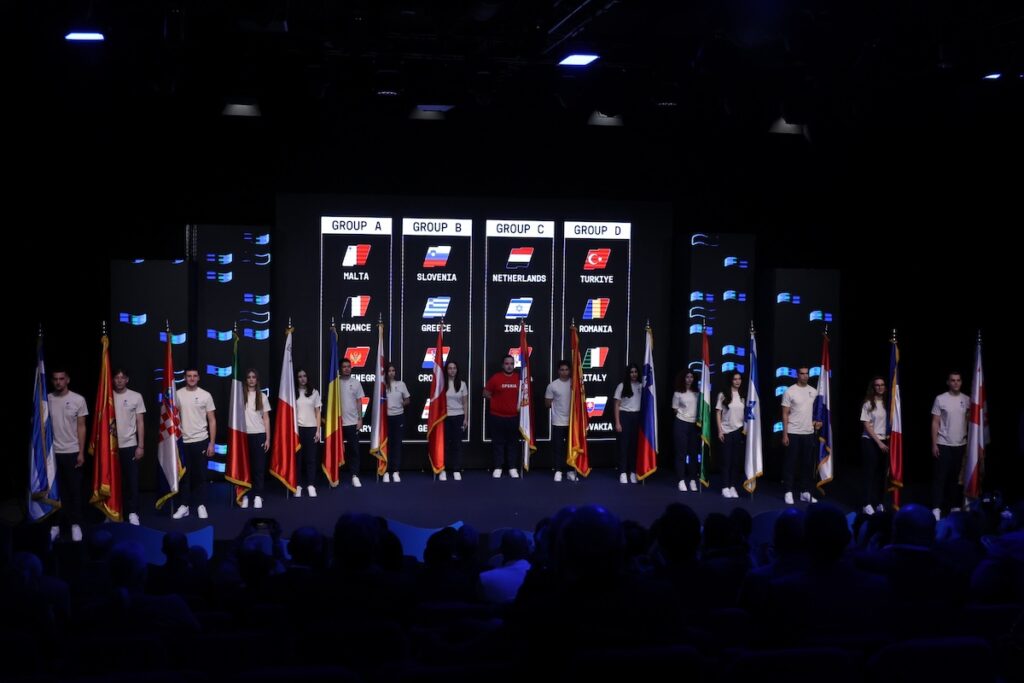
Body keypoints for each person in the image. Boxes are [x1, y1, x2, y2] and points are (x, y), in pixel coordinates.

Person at [48, 368, 88, 542]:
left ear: (67, 380)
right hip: (53, 454)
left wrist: (81, 452)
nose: (58, 382)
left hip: (72, 452)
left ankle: (75, 524)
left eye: (61, 378)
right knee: (55, 493)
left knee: (74, 491)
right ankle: (55, 525)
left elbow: (81, 427)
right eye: (55, 379)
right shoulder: (47, 399)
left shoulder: (78, 399)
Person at [173, 368, 216, 520]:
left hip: (201, 441)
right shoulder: (177, 394)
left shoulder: (206, 395)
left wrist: (211, 443)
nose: (192, 378)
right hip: (183, 442)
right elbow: (172, 419)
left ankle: (200, 505)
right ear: (185, 378)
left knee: (201, 475)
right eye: (189, 376)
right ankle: (184, 506)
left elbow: (212, 420)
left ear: (198, 378)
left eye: (194, 376)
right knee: (184, 476)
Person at [931, 371, 970, 520]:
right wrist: (934, 444)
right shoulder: (941, 399)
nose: (956, 383)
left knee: (955, 479)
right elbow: (935, 422)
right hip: (943, 443)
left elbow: (971, 423)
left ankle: (954, 506)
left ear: (961, 382)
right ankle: (936, 508)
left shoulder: (967, 399)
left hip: (961, 444)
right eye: (953, 380)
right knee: (940, 478)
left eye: (958, 380)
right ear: (948, 382)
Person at [781, 366, 821, 505]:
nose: (805, 376)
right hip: (793, 432)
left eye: (807, 374)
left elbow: (816, 412)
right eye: (802, 373)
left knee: (807, 464)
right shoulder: (789, 391)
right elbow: (785, 414)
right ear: (797, 375)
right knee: (790, 463)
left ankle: (804, 492)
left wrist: (817, 422)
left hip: (808, 433)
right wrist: (785, 434)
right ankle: (788, 491)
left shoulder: (814, 391)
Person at [112, 368, 146, 526]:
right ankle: (112, 511)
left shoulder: (135, 396)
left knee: (131, 481)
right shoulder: (107, 397)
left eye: (122, 377)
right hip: (111, 447)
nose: (119, 380)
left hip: (130, 445)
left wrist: (141, 446)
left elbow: (140, 422)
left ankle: (132, 512)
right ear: (113, 380)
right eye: (116, 377)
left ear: (127, 380)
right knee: (113, 481)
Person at [483, 355, 521, 478]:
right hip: (497, 416)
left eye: (511, 363)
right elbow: (485, 393)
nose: (509, 366)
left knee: (512, 443)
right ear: (502, 365)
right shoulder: (496, 378)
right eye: (506, 363)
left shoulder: (519, 378)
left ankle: (512, 467)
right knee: (498, 443)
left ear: (514, 365)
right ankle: (498, 467)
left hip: (514, 417)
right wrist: (496, 401)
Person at [240, 369, 271, 509]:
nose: (251, 379)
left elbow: (266, 418)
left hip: (259, 434)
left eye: (253, 377)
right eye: (249, 377)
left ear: (257, 380)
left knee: (258, 468)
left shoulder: (262, 396)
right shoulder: (240, 396)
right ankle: (244, 495)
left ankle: (258, 495)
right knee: (244, 467)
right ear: (245, 380)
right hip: (243, 435)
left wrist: (268, 438)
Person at [860, 377, 889, 515]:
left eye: (882, 385)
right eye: (877, 385)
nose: (880, 387)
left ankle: (879, 503)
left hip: (885, 441)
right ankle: (866, 504)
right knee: (869, 474)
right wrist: (879, 442)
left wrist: (884, 442)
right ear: (873, 387)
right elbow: (866, 425)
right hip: (870, 441)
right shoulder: (868, 403)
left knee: (882, 475)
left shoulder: (888, 404)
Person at [716, 370, 745, 498]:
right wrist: (720, 430)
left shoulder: (743, 395)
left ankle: (733, 486)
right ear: (731, 380)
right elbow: (718, 413)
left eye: (739, 379)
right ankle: (725, 487)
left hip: (739, 431)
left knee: (736, 461)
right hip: (726, 431)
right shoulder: (723, 395)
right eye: (735, 379)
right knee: (726, 461)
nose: (737, 381)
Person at [545, 360, 575, 482]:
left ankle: (570, 471)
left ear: (570, 371)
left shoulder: (575, 384)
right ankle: (558, 471)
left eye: (566, 369)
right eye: (562, 370)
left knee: (571, 448)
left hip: (572, 422)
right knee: (558, 448)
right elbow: (547, 403)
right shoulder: (552, 385)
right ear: (558, 371)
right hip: (558, 421)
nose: (564, 372)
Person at [294, 368, 321, 497]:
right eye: (300, 376)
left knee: (311, 459)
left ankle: (311, 485)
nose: (302, 378)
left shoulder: (314, 392)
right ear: (296, 378)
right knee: (298, 460)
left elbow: (318, 412)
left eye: (304, 376)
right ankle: (298, 485)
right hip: (297, 430)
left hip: (311, 429)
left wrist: (318, 430)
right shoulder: (292, 393)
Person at [671, 370, 700, 492]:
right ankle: (681, 480)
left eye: (691, 377)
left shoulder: (698, 392)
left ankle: (693, 479)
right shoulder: (678, 392)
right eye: (687, 377)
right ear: (683, 378)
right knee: (681, 453)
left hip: (694, 425)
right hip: (681, 423)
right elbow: (675, 409)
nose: (689, 379)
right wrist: (684, 416)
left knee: (693, 453)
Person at [613, 363, 642, 484]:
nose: (634, 374)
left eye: (635, 372)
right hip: (624, 416)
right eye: (631, 372)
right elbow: (616, 405)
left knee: (634, 446)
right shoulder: (622, 386)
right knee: (624, 446)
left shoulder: (641, 386)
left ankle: (633, 471)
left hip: (637, 416)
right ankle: (623, 472)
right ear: (628, 373)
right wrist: (617, 422)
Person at [339, 358, 365, 487]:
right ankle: (335, 475)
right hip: (338, 423)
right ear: (340, 368)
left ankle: (355, 475)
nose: (347, 369)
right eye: (344, 366)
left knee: (354, 450)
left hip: (352, 422)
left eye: (348, 366)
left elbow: (359, 402)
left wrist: (360, 419)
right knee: (337, 450)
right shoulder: (335, 383)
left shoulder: (356, 383)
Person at [383, 362, 411, 483]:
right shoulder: (382, 385)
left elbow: (407, 400)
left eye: (393, 370)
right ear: (386, 372)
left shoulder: (401, 384)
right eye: (389, 371)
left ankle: (395, 471)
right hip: (385, 418)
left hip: (398, 417)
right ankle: (385, 471)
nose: (391, 373)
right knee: (385, 444)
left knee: (397, 444)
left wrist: (401, 404)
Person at [443, 360, 469, 481]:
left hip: (458, 416)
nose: (452, 370)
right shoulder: (442, 384)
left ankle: (456, 470)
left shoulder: (462, 384)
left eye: (454, 368)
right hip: (444, 417)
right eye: (450, 368)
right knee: (444, 444)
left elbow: (465, 402)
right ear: (446, 370)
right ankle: (442, 469)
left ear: (457, 370)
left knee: (457, 444)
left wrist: (466, 418)